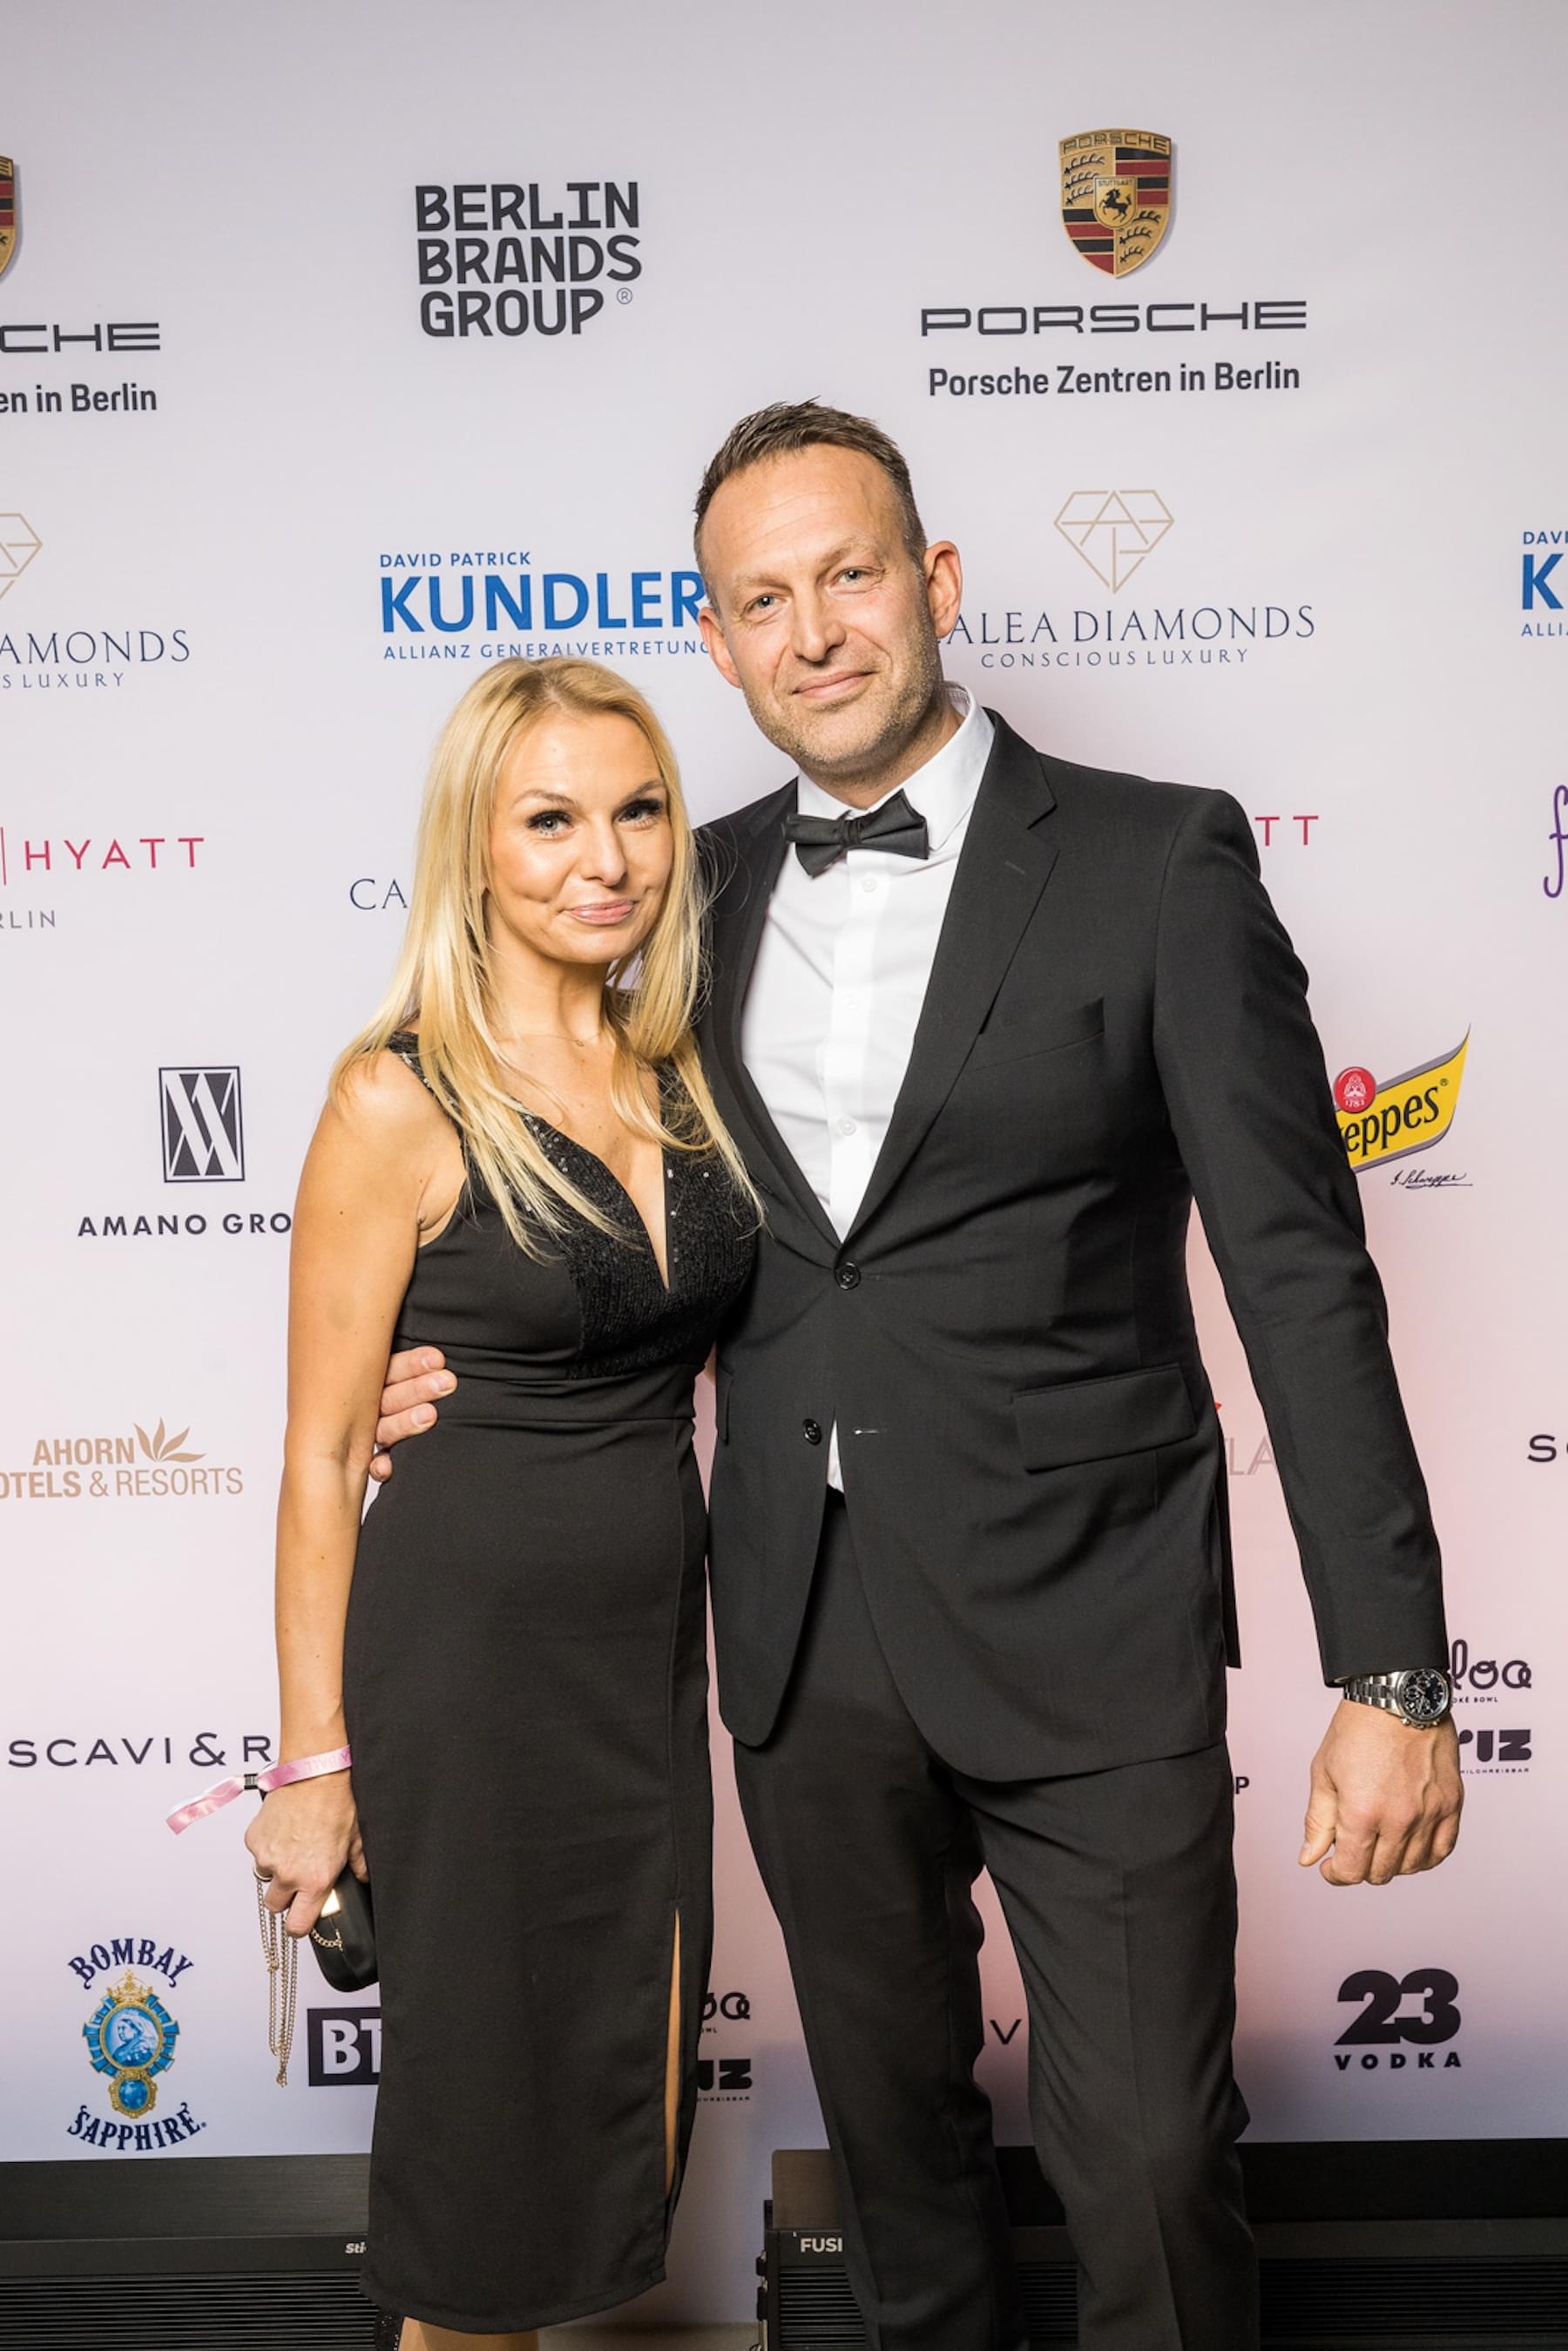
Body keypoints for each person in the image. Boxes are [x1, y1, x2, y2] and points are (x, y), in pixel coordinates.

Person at [375, 405, 1463, 2351]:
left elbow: (1303, 1280)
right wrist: (440, 1375)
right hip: (803, 1644)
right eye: (760, 600)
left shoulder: (1157, 858)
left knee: (1150, 2167)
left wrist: (1392, 1674)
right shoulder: (676, 896)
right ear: (716, 642)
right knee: (899, 2189)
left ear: (936, 581)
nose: (812, 633)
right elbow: (539, 1166)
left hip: (1093, 1627)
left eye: (849, 575)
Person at [246, 656, 756, 2351]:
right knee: (483, 2174)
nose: (604, 860)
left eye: (639, 811)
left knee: (605, 2126)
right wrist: (314, 1770)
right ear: (472, 847)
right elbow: (325, 1455)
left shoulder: (695, 1076)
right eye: (549, 821)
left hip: (643, 1674)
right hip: (465, 1679)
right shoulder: (394, 1097)